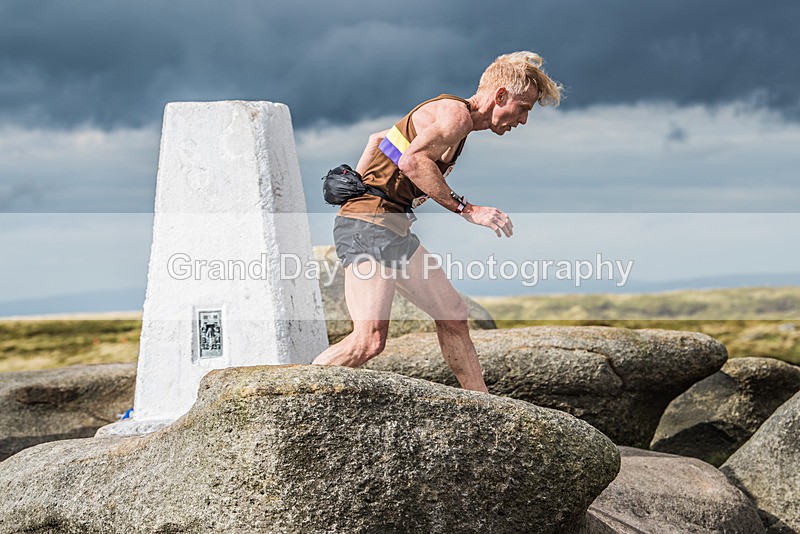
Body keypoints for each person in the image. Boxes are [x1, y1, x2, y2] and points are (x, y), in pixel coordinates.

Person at [312, 51, 562, 392]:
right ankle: (289, 393)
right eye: (524, 108)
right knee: (368, 341)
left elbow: (376, 140)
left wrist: (355, 180)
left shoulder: (454, 120)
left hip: (392, 226)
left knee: (453, 315)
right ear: (500, 95)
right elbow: (413, 162)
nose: (522, 120)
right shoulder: (455, 115)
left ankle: (484, 408)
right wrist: (469, 210)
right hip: (368, 226)